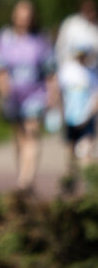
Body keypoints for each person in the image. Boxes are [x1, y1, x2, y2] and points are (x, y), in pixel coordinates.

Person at [0, 0, 56, 194]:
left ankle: (26, 180)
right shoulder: (5, 37)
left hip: (36, 93)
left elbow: (50, 69)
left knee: (32, 133)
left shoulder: (41, 39)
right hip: (14, 95)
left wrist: (52, 94)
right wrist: (4, 92)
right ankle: (22, 173)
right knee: (19, 136)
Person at [57, 45, 98, 174]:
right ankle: (70, 179)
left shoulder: (92, 72)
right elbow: (59, 93)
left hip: (87, 116)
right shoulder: (67, 70)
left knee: (86, 149)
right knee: (70, 149)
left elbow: (96, 95)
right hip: (70, 116)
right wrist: (61, 112)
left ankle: (87, 184)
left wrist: (90, 114)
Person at [55, 0, 98, 66]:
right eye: (88, 10)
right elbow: (61, 47)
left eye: (93, 10)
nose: (92, 13)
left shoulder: (95, 29)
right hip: (72, 70)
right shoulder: (71, 24)